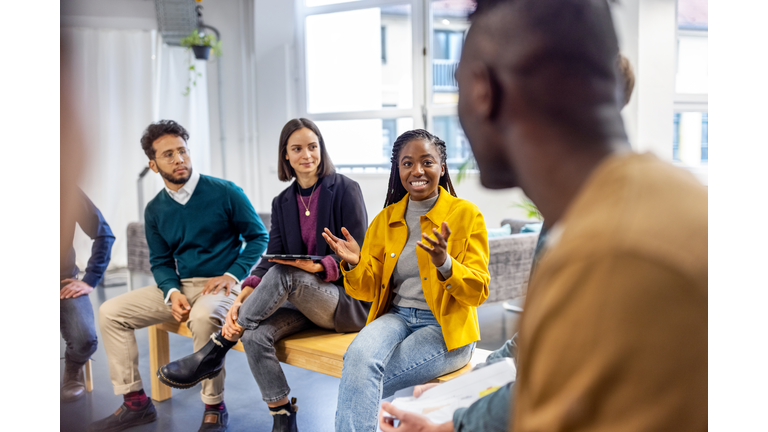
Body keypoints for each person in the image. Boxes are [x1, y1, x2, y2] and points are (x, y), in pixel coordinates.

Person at [384, 0, 707, 431]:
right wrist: (456, 411)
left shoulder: (614, 258)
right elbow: (546, 363)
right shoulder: (657, 202)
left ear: (484, 91)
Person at [378, 50, 639, 432]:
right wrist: (462, 389)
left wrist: (452, 424)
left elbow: (557, 375)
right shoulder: (564, 212)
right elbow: (536, 340)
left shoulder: (614, 221)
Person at [156, 118, 370, 432]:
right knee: (255, 334)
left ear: (321, 149)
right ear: (286, 155)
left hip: (341, 301)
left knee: (288, 274)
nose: (306, 155)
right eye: (297, 148)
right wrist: (243, 294)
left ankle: (217, 348)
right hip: (300, 301)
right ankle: (282, 416)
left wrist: (321, 266)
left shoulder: (346, 189)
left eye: (313, 146)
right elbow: (271, 257)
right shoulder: (282, 202)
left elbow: (361, 254)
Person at [88, 120, 269, 432]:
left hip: (221, 284)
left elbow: (258, 237)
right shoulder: (155, 209)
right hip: (183, 285)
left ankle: (214, 406)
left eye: (182, 151)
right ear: (153, 164)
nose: (179, 159)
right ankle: (135, 403)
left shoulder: (225, 192)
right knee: (110, 311)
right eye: (168, 154)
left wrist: (233, 273)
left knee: (202, 319)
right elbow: (160, 261)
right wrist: (171, 292)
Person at [323, 129, 491, 432]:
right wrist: (355, 263)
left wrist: (446, 264)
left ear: (442, 166)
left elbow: (478, 291)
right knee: (359, 359)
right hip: (397, 317)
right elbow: (367, 291)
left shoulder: (466, 214)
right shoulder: (386, 219)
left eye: (427, 162)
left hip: (445, 327)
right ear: (397, 169)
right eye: (407, 163)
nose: (417, 171)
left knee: (361, 379)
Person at [60, 188, 115, 403]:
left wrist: (90, 279)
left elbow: (104, 234)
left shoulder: (64, 189)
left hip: (61, 282)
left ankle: (73, 370)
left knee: (85, 339)